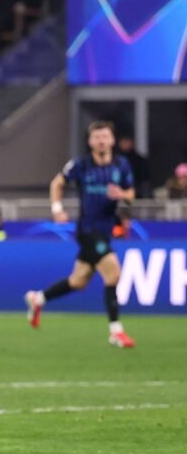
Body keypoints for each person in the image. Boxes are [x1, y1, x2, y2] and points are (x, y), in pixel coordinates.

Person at [26, 121, 136, 348]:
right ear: (90, 141)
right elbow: (57, 183)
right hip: (87, 231)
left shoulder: (121, 165)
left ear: (112, 140)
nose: (101, 141)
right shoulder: (81, 164)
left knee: (78, 281)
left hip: (105, 231)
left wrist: (122, 194)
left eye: (105, 136)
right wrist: (57, 209)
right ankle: (116, 331)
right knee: (113, 273)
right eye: (97, 137)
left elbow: (131, 194)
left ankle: (38, 299)